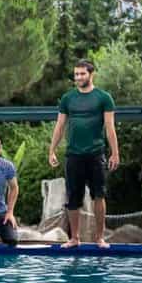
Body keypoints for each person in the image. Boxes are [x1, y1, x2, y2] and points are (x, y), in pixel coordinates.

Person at [48, 59, 119, 249]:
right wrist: (52, 150)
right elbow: (60, 125)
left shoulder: (103, 97)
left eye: (82, 74)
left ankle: (99, 237)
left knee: (99, 195)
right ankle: (75, 238)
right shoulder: (67, 98)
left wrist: (115, 153)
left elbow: (110, 128)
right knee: (73, 197)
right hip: (73, 155)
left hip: (96, 154)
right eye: (76, 74)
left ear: (91, 74)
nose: (78, 77)